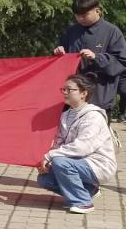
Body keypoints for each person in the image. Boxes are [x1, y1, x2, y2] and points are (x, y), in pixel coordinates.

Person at [36, 75, 116, 214]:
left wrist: (51, 156)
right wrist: (49, 160)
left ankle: (83, 203)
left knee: (60, 162)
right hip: (77, 161)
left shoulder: (93, 116)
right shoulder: (65, 115)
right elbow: (59, 142)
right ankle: (90, 191)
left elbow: (82, 147)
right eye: (63, 89)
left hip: (99, 164)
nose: (65, 92)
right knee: (45, 179)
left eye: (69, 89)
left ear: (83, 93)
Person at [54, 0, 126, 118]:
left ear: (97, 11)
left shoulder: (112, 32)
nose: (80, 19)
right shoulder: (71, 32)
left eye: (84, 15)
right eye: (77, 16)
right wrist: (59, 52)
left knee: (96, 130)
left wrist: (97, 57)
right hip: (73, 99)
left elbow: (121, 62)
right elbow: (61, 62)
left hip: (99, 97)